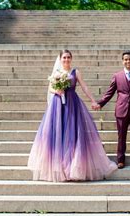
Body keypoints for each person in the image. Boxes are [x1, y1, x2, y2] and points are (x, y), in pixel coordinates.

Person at [28, 49, 117, 182]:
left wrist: (93, 100)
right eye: (64, 57)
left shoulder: (76, 72)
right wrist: (57, 90)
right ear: (60, 59)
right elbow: (51, 88)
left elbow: (84, 87)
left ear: (71, 59)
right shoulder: (57, 73)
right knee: (59, 135)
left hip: (73, 105)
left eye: (68, 57)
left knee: (73, 135)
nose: (66, 60)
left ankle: (74, 168)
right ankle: (60, 168)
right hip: (58, 106)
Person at [94, 51, 130, 169]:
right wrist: (100, 103)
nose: (128, 61)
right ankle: (120, 160)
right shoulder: (117, 76)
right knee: (121, 136)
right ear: (122, 61)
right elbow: (110, 92)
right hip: (121, 110)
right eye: (125, 59)